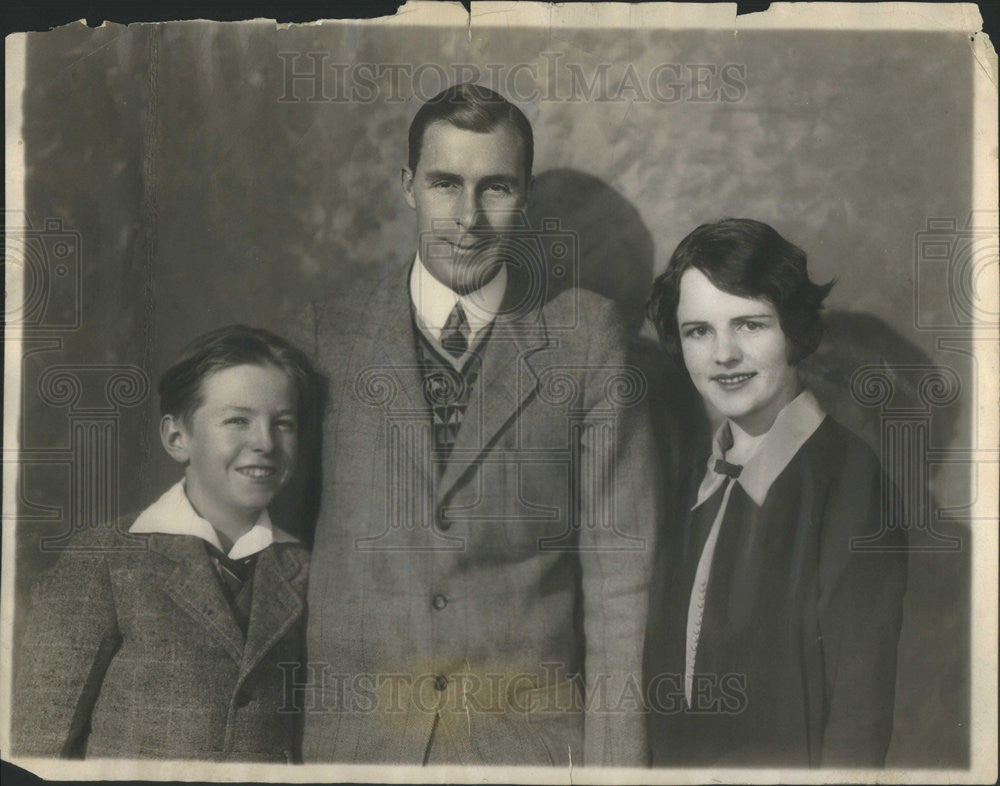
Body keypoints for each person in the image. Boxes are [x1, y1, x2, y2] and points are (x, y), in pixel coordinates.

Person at [295, 83, 658, 767]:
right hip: (356, 751)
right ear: (408, 185)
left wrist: (617, 772)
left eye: (495, 188)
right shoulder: (330, 337)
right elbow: (283, 554)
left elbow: (621, 587)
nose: (468, 217)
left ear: (524, 197)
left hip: (527, 753)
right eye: (444, 183)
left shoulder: (586, 337)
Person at [643, 218, 908, 767]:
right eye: (699, 331)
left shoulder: (851, 481)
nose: (723, 354)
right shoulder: (690, 479)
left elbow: (859, 717)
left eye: (750, 325)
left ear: (794, 329)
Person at [13, 325, 319, 761]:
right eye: (238, 420)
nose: (265, 442)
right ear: (178, 439)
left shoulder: (304, 567)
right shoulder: (106, 557)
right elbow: (39, 741)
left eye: (283, 423)